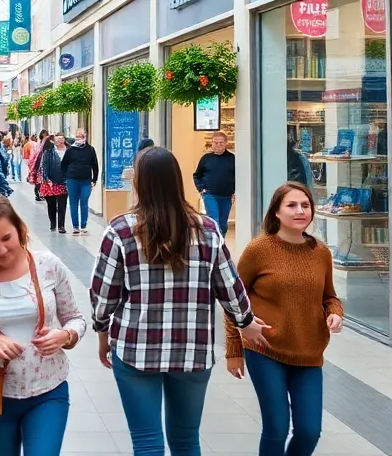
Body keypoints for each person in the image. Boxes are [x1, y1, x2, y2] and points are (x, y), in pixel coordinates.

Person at [90, 146, 269, 456]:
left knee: (147, 442)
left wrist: (103, 333)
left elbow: (103, 296)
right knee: (186, 441)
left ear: (140, 183)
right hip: (193, 350)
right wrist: (246, 322)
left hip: (136, 348)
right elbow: (230, 286)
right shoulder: (207, 230)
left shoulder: (120, 231)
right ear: (177, 179)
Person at [0, 195, 86, 456]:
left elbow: (76, 319)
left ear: (19, 229)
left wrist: (65, 335)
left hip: (49, 390)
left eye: (6, 238)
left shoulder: (48, 266)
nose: (1, 250)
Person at [226, 182, 343, 456]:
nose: (300, 211)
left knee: (309, 430)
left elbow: (330, 297)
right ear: (276, 212)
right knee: (276, 428)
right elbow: (234, 299)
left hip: (308, 352)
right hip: (265, 349)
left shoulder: (321, 253)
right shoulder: (259, 249)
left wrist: (335, 313)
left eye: (305, 205)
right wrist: (234, 349)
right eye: (291, 205)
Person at [194, 131, 235, 234]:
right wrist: (201, 189)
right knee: (214, 221)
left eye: (221, 143)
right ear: (212, 143)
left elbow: (237, 177)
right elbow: (197, 175)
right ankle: (214, 246)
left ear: (226, 143)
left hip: (226, 196)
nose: (218, 145)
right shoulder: (206, 158)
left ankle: (221, 245)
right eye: (216, 143)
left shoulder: (232, 159)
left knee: (223, 225)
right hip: (210, 194)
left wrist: (235, 191)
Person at [60, 129, 100, 235]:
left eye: (81, 136)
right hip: (72, 179)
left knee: (84, 202)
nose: (79, 138)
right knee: (73, 203)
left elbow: (95, 165)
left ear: (85, 136)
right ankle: (75, 226)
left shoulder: (90, 150)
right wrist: (65, 177)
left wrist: (94, 179)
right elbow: (63, 164)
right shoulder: (70, 150)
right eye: (77, 136)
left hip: (86, 180)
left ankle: (83, 225)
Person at [36, 134, 69, 233]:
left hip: (64, 182)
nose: (61, 141)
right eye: (58, 139)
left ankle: (61, 226)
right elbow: (44, 166)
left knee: (62, 205)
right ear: (54, 141)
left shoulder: (69, 151)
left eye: (62, 139)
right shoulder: (48, 152)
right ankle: (53, 223)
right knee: (52, 205)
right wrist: (46, 179)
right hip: (51, 182)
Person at [27, 130, 50, 202]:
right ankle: (39, 194)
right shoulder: (40, 144)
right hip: (39, 164)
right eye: (44, 135)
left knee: (40, 180)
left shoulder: (39, 144)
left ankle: (40, 194)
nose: (45, 137)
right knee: (39, 180)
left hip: (39, 164)